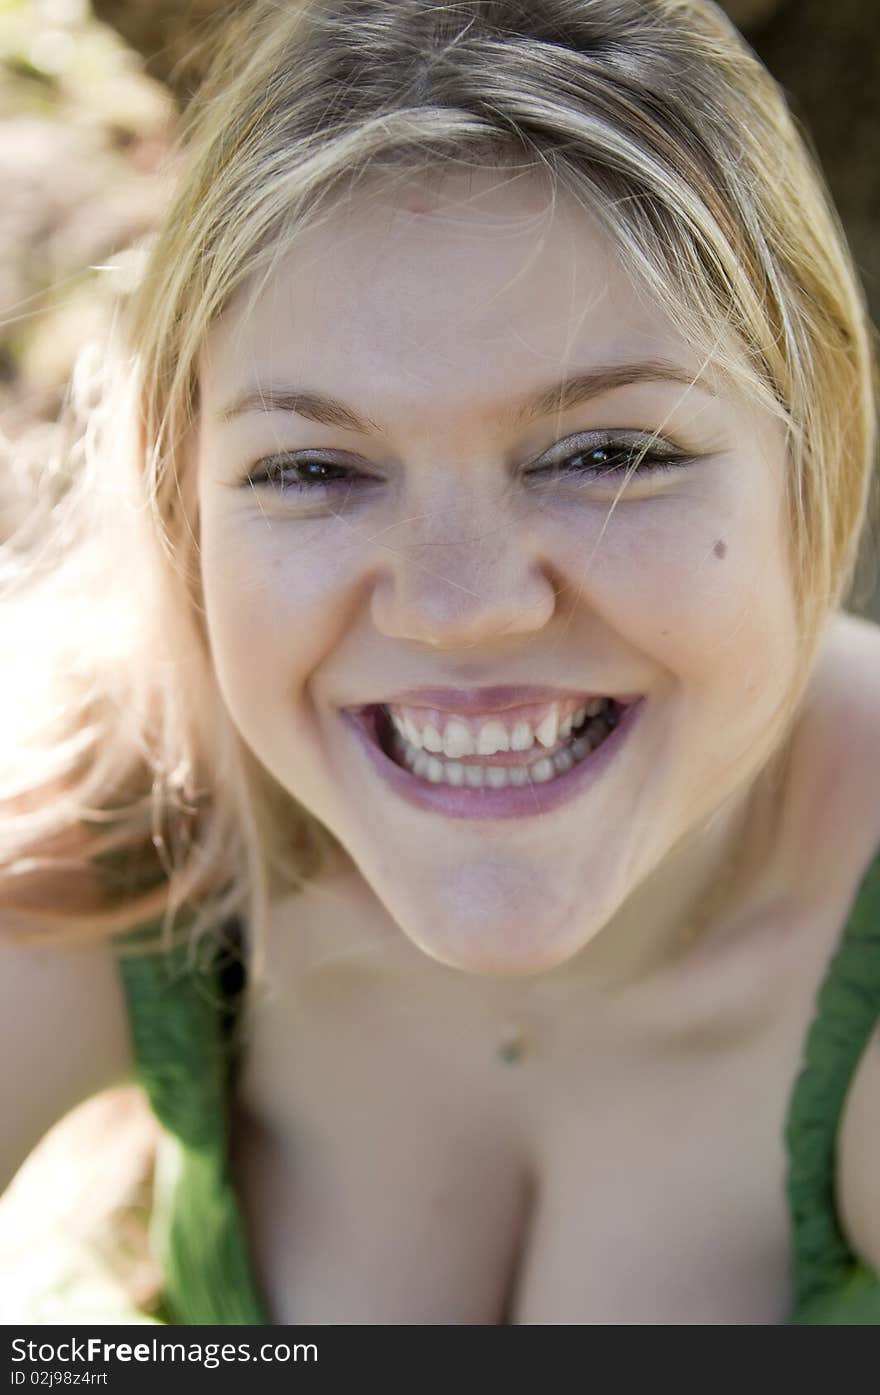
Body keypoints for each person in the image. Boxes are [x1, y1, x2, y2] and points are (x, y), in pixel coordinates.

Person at [1, 0, 878, 1325]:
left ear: (812, 467)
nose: (461, 611)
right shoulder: (116, 809)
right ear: (188, 502)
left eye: (606, 454)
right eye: (314, 468)